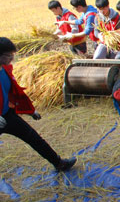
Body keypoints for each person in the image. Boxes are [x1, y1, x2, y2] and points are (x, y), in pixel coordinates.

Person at [0, 37, 77, 172]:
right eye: (7, 56)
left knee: (33, 137)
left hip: (7, 114)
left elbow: (14, 91)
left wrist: (30, 110)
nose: (11, 59)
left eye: (12, 55)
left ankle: (59, 163)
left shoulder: (5, 69)